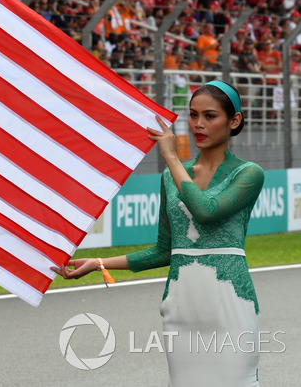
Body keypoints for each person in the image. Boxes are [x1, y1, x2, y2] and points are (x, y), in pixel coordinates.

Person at [53, 81, 265, 386]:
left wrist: (172, 158)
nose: (198, 125)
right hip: (181, 305)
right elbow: (166, 250)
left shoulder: (248, 173)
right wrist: (99, 264)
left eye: (210, 116)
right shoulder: (170, 178)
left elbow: (206, 211)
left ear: (234, 121)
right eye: (193, 115)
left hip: (230, 304)